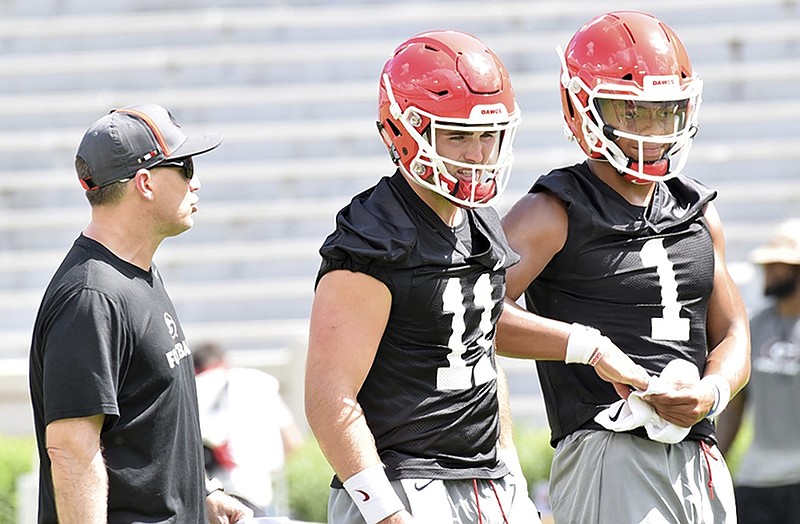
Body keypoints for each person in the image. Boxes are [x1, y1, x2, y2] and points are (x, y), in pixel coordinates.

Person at [304, 29, 648, 524]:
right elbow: (330, 400)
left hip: (486, 483)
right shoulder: (374, 236)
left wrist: (509, 471)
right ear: (405, 131)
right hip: (405, 481)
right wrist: (386, 513)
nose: (476, 153)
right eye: (458, 135)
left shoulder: (480, 219)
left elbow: (480, 350)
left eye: (488, 135)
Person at [496, 11, 751, 524]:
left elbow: (732, 330)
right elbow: (468, 314)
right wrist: (589, 348)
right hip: (609, 449)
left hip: (699, 457)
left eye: (665, 112)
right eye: (631, 113)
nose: (653, 131)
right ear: (580, 108)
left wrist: (713, 389)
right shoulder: (552, 210)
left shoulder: (698, 208)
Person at [28, 104, 252, 523]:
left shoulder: (135, 274)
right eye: (184, 167)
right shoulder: (92, 296)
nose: (197, 182)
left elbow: (146, 423)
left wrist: (200, 493)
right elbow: (72, 451)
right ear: (145, 183)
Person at [716, 219, 800, 524]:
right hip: (756, 478)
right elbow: (735, 407)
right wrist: (715, 462)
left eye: (778, 265)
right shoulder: (755, 326)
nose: (768, 271)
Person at [193, 341, 304, 517]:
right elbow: (293, 441)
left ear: (195, 368)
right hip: (257, 494)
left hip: (210, 499)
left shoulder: (192, 387)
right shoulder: (258, 382)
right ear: (223, 362)